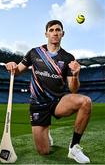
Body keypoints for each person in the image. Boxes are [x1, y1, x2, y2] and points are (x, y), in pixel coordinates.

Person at [5, 20, 92, 164]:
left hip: (58, 101)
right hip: (38, 104)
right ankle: (46, 131)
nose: (55, 33)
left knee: (85, 102)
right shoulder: (34, 52)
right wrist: (11, 65)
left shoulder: (68, 58)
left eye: (58, 30)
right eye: (51, 30)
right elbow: (17, 70)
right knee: (44, 151)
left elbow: (73, 89)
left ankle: (74, 147)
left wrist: (76, 75)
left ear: (62, 34)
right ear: (46, 34)